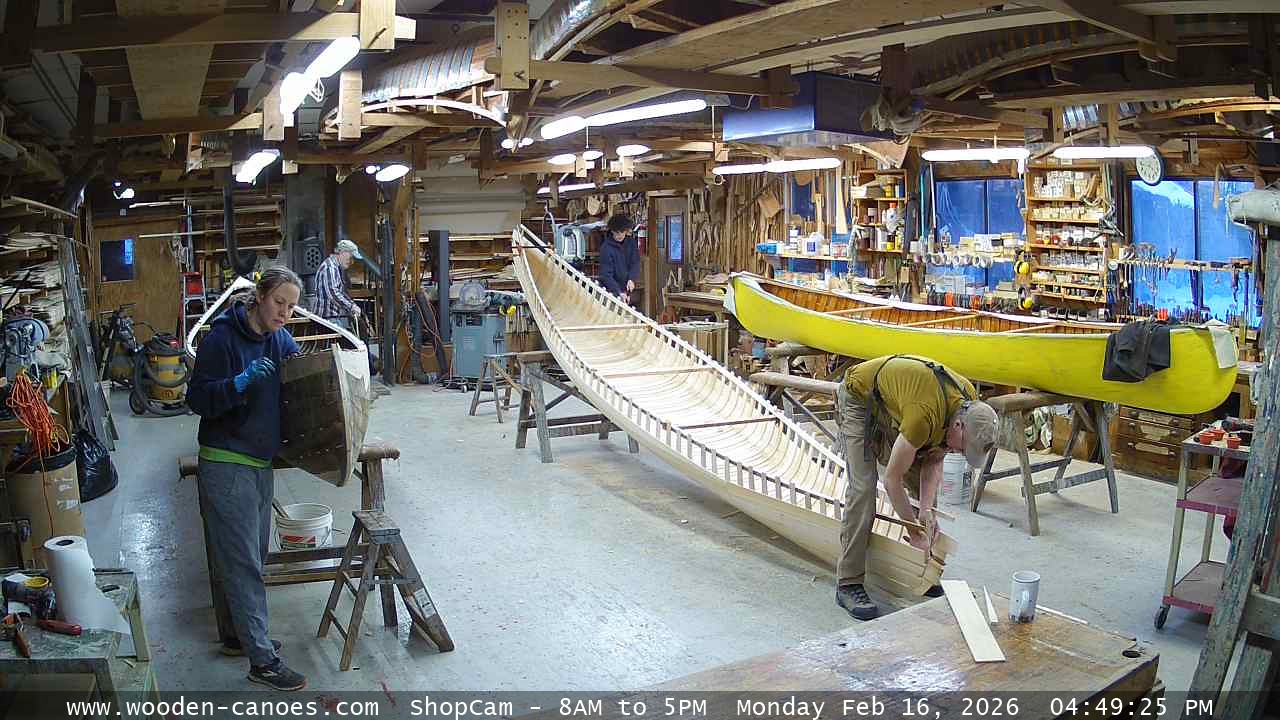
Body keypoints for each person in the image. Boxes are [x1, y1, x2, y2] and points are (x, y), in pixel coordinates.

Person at [187, 267, 307, 691]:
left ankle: (239, 636)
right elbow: (197, 399)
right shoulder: (221, 339)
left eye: (292, 307)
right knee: (243, 566)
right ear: (259, 296)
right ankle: (262, 662)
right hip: (226, 462)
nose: (284, 313)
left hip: (259, 462)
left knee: (250, 559)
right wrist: (237, 384)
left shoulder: (279, 339)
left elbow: (302, 375)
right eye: (279, 302)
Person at [834, 354, 998, 621]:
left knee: (925, 499)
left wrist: (925, 512)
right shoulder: (924, 415)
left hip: (895, 404)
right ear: (958, 425)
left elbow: (934, 459)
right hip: (859, 399)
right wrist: (914, 529)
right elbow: (891, 480)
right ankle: (848, 582)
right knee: (863, 490)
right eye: (963, 447)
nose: (959, 452)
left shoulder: (967, 402)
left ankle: (918, 567)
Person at [314, 239, 362, 330]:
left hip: (331, 318)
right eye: (351, 257)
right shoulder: (329, 267)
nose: (352, 262)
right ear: (343, 252)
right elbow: (333, 293)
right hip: (326, 319)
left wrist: (352, 304)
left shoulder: (334, 267)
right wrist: (351, 307)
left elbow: (340, 292)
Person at [599, 214, 640, 304]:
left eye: (622, 232)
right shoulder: (606, 248)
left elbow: (635, 263)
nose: (620, 235)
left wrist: (631, 279)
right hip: (611, 291)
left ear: (626, 231)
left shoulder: (631, 243)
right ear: (612, 231)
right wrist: (618, 292)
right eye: (617, 232)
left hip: (627, 288)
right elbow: (606, 274)